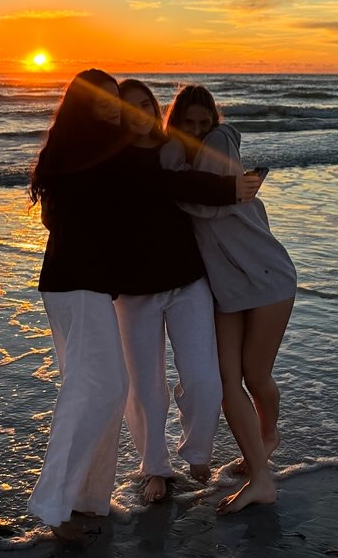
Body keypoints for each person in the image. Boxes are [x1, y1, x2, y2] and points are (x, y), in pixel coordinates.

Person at [27, 69, 263, 541]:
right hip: (76, 286)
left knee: (108, 390)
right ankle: (54, 508)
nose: (112, 105)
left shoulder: (94, 148)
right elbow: (158, 180)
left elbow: (155, 179)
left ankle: (86, 500)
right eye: (103, 99)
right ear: (81, 105)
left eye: (115, 98)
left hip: (91, 286)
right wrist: (227, 190)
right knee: (92, 393)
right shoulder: (92, 151)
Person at [164, 84, 297, 515]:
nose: (197, 131)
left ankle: (268, 436)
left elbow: (211, 205)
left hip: (268, 278)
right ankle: (261, 476)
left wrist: (175, 183)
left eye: (204, 122)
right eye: (188, 123)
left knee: (255, 375)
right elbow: (189, 188)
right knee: (226, 382)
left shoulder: (221, 146)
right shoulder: (183, 164)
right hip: (226, 288)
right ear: (175, 122)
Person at [113, 79, 222, 503]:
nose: (139, 113)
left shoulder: (176, 149)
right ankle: (154, 468)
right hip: (133, 288)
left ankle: (197, 451)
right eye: (129, 106)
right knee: (145, 388)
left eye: (146, 104)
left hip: (188, 279)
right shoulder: (110, 158)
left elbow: (207, 185)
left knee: (203, 379)